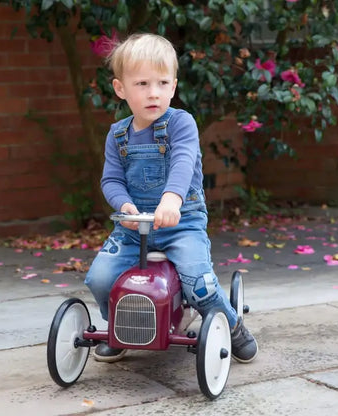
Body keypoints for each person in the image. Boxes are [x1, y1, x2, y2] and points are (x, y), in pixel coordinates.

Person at [85, 33, 258, 364]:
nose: (154, 93)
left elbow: (182, 162)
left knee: (199, 284)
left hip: (182, 222)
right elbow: (111, 179)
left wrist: (171, 200)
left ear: (174, 86)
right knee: (100, 278)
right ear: (120, 89)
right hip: (134, 226)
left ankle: (232, 326)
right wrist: (125, 207)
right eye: (142, 84)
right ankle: (120, 329)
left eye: (163, 83)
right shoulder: (117, 134)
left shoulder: (181, 124)